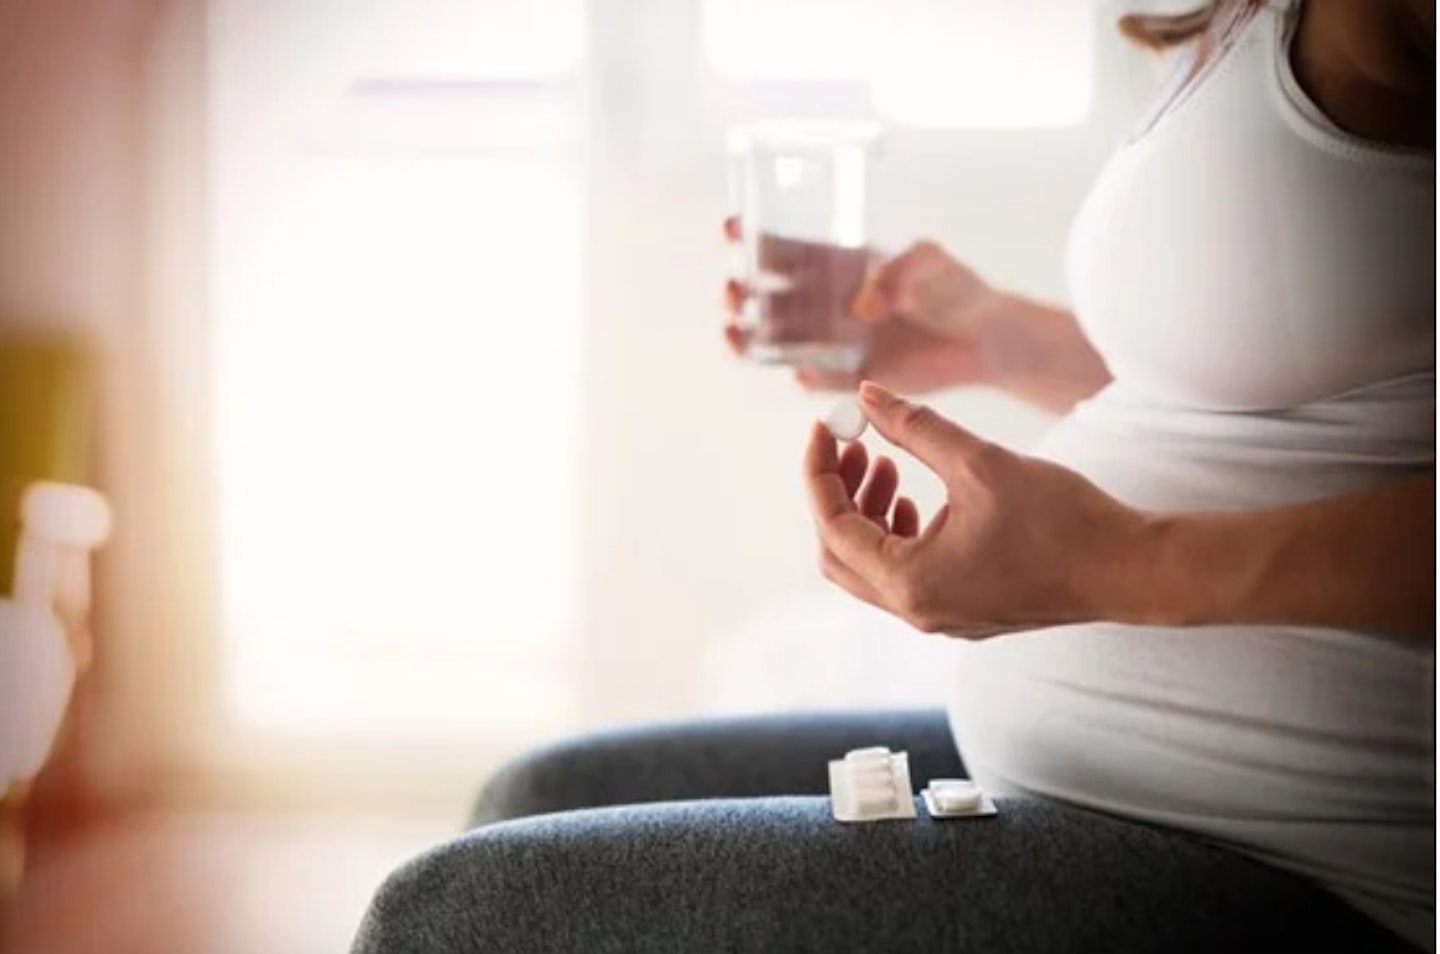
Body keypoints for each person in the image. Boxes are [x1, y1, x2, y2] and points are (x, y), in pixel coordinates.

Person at [353, 2, 1434, 952]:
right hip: (1121, 780)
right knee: (535, 791)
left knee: (449, 920)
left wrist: (1112, 563)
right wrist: (1000, 342)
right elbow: (1302, 390)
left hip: (1320, 862)